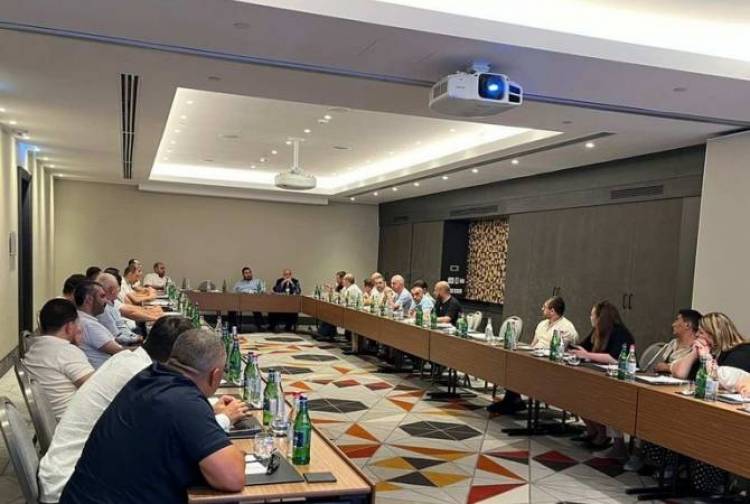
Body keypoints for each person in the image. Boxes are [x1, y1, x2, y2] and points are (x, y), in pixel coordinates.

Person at [38, 317, 249, 503]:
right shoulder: (182, 400)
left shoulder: (146, 376)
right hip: (71, 481)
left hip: (83, 488)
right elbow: (232, 477)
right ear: (215, 375)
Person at [489, 297, 578, 414]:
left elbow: (562, 352)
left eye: (544, 307)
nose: (542, 309)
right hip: (534, 358)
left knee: (517, 369)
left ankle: (513, 401)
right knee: (510, 363)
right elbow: (532, 345)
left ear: (552, 311)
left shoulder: (567, 328)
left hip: (550, 365)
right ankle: (512, 399)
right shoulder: (542, 324)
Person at [571, 301, 635, 453]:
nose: (590, 317)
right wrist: (574, 349)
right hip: (600, 376)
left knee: (603, 401)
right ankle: (594, 431)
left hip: (621, 380)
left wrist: (587, 355)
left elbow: (614, 358)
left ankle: (607, 437)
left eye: (592, 314)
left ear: (601, 317)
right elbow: (584, 347)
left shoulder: (619, 333)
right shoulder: (597, 331)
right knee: (576, 393)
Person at [22, 299, 94, 419]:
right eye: (77, 324)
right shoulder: (66, 351)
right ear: (69, 327)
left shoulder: (33, 350)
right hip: (78, 421)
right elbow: (97, 388)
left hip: (54, 419)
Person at [670, 312, 750, 381]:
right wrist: (694, 353)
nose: (697, 335)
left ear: (715, 335)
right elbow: (679, 374)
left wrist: (706, 357)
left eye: (701, 332)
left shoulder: (742, 352)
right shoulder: (709, 350)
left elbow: (721, 382)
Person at [74, 280, 123, 368]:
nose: (106, 301)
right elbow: (120, 351)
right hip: (108, 371)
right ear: (89, 300)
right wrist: (145, 349)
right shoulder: (88, 325)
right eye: (102, 296)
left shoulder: (81, 319)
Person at [645, 309, 702, 373]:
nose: (673, 325)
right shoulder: (672, 344)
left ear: (687, 325)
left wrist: (668, 368)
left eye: (677, 320)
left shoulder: (697, 350)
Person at [95, 272, 142, 345]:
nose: (119, 290)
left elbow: (121, 325)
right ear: (112, 290)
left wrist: (133, 336)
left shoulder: (111, 303)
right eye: (118, 287)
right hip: (122, 344)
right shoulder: (102, 309)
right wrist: (135, 339)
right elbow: (117, 337)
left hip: (128, 336)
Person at [232, 267, 267, 331]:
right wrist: (244, 291)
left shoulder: (257, 281)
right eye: (246, 273)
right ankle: (233, 327)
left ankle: (261, 326)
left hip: (255, 301)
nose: (248, 274)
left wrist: (254, 292)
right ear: (243, 274)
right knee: (232, 307)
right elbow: (234, 293)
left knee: (256, 307)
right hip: (241, 302)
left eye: (249, 272)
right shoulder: (238, 283)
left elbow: (262, 291)